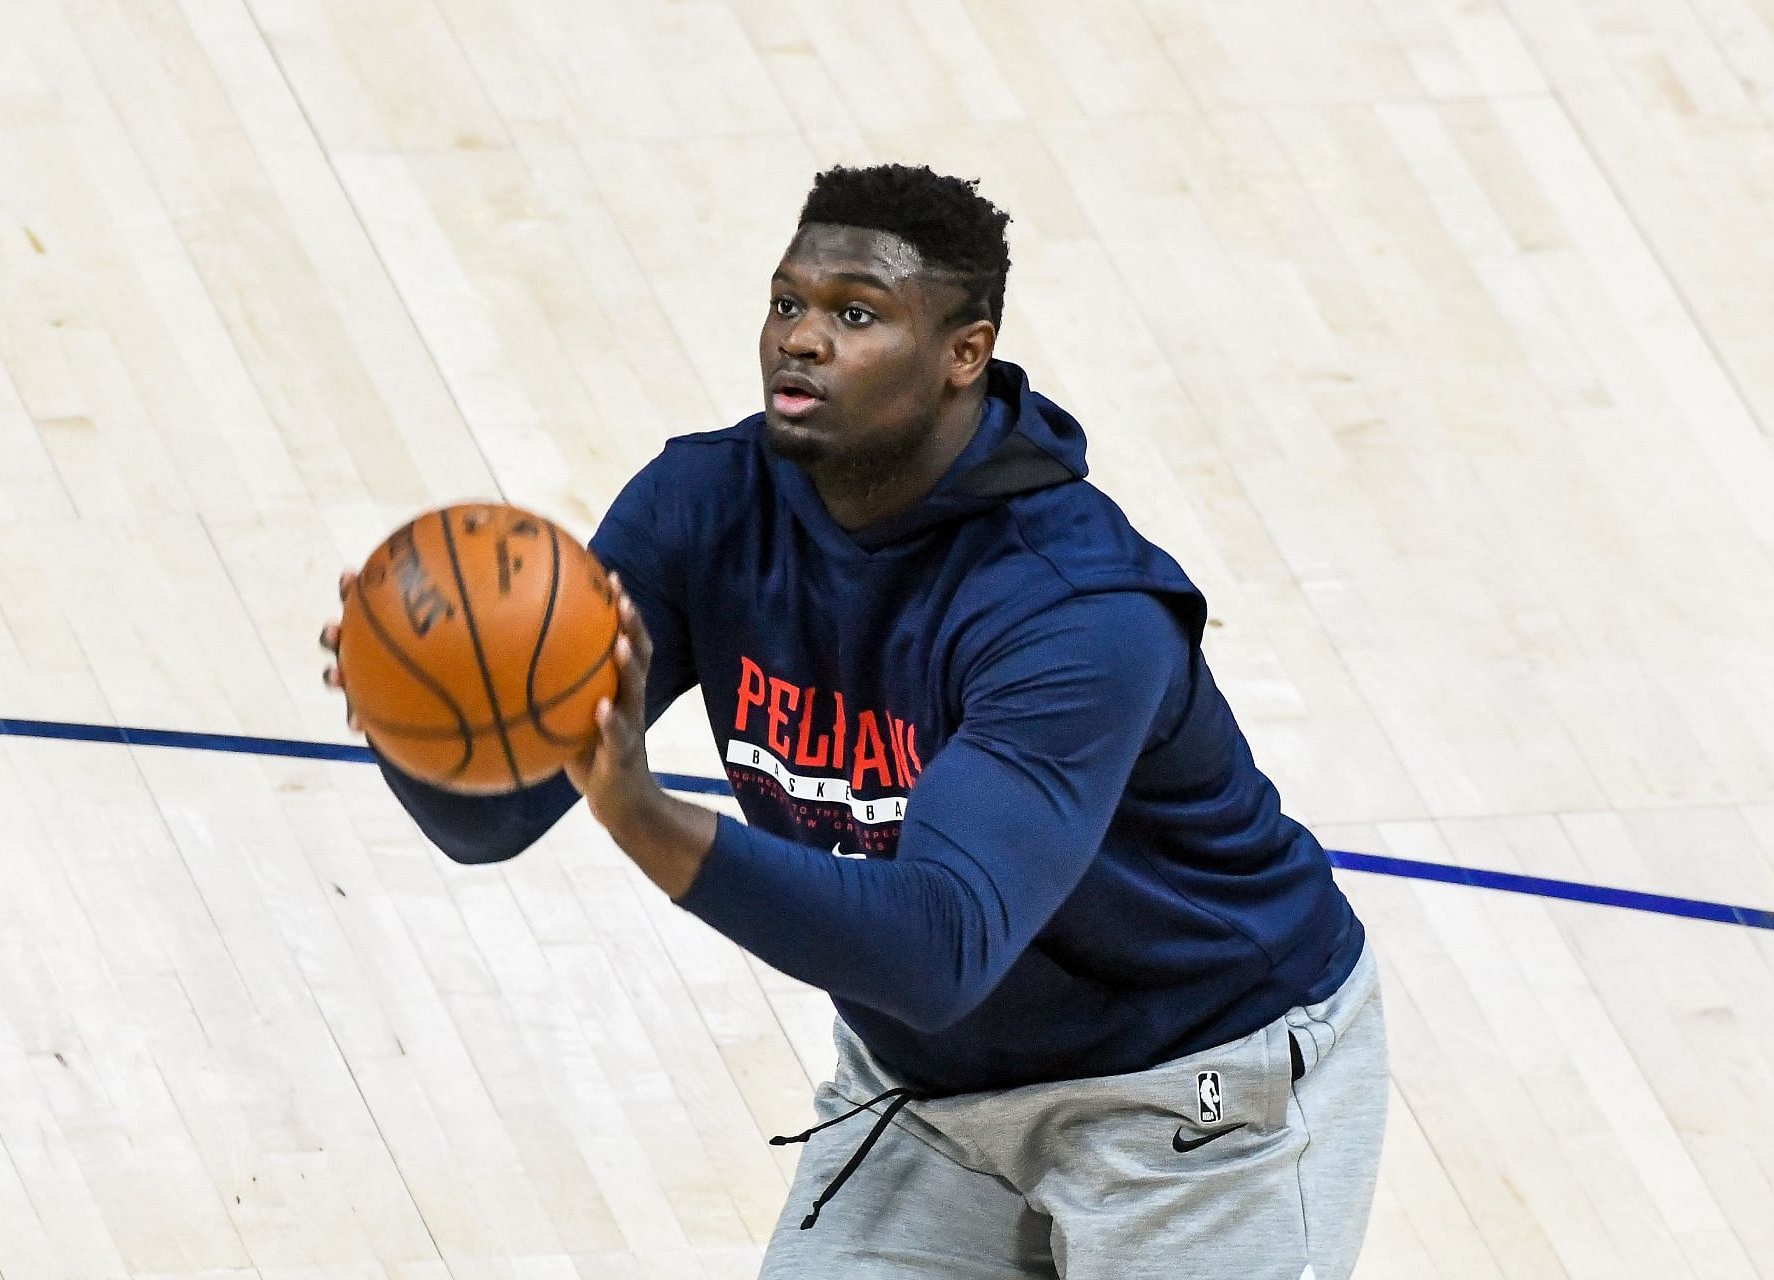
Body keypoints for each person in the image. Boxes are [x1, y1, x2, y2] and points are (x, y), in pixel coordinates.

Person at [320, 163, 1387, 1279]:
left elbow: (938, 947)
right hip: (927, 1090)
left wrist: (643, 816)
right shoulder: (703, 511)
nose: (801, 339)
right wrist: (412, 714)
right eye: (788, 302)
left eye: (855, 313)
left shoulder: (1072, 608)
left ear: (963, 354)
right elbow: (489, 823)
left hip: (1198, 1093)